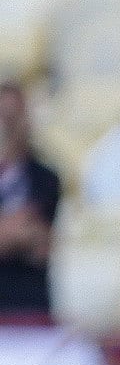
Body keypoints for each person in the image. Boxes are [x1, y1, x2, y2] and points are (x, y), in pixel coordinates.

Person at [0, 82, 62, 320]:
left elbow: (41, 245)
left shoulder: (45, 178)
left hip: (28, 310)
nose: (8, 127)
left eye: (14, 117)